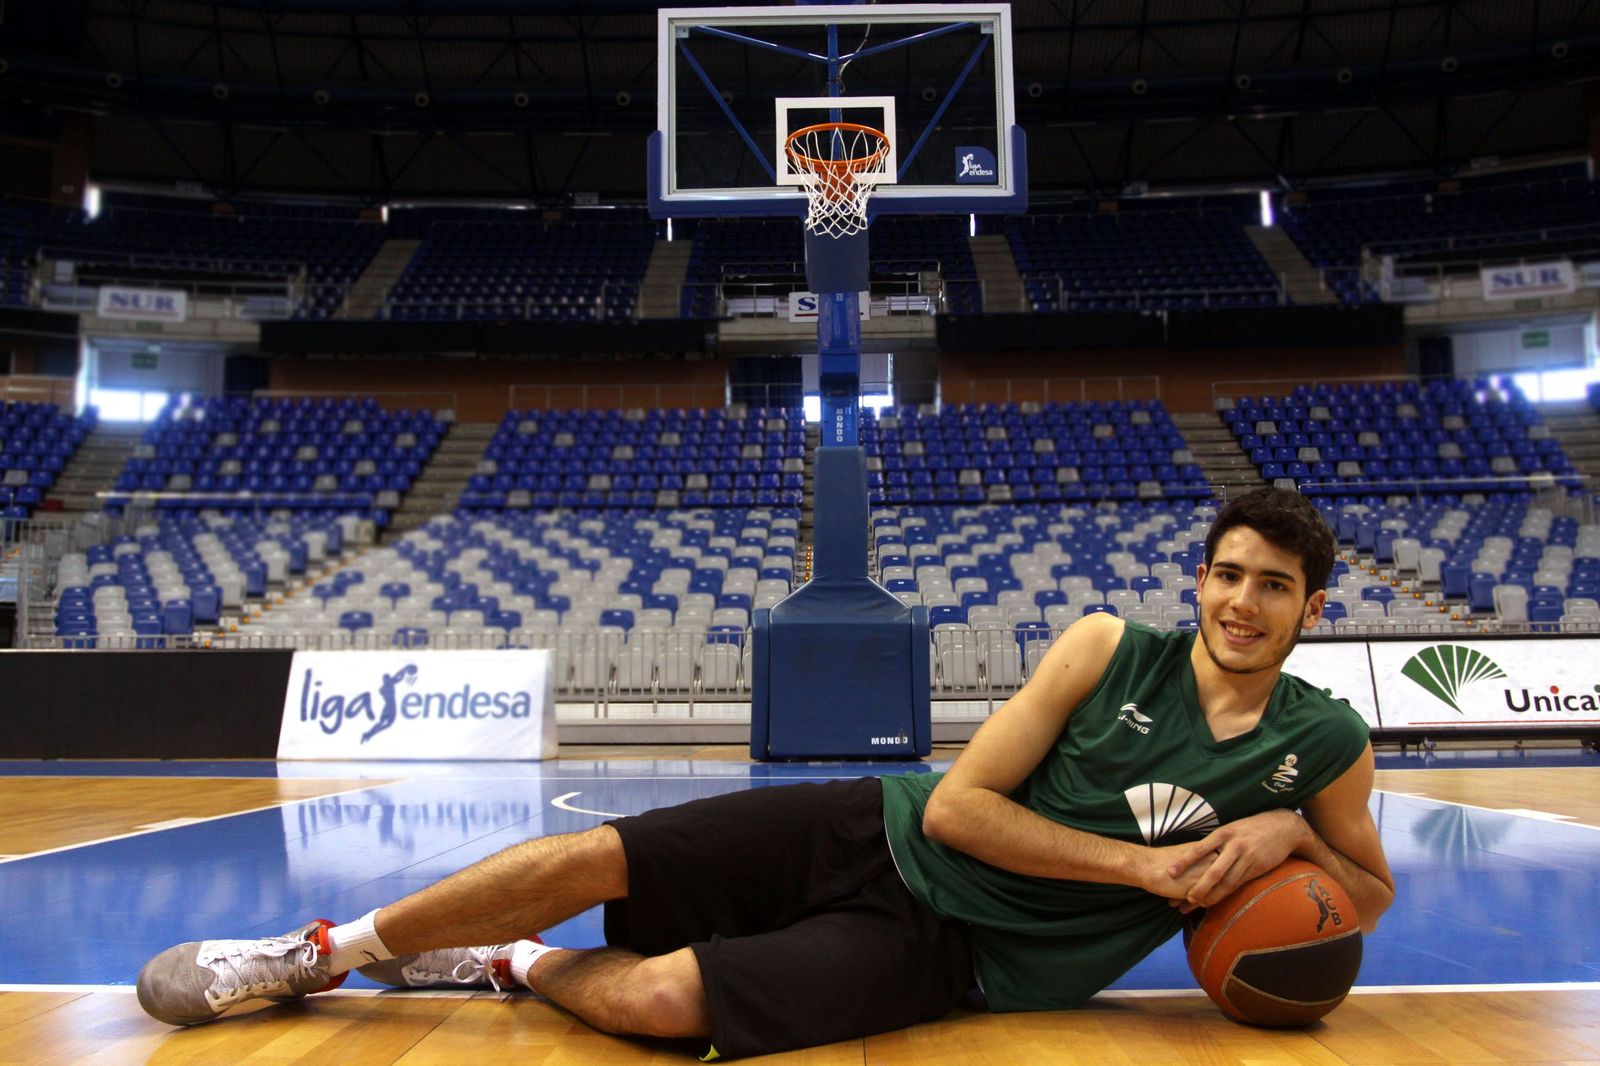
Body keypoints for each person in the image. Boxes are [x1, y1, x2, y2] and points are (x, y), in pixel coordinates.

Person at [137, 487, 1395, 1059]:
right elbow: (959, 803)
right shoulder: (1110, 647)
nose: (1241, 600)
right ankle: (317, 953)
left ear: (1309, 607)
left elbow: (1370, 888)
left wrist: (1292, 838)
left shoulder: (1325, 737)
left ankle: (508, 960)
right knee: (590, 857)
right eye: (1226, 574)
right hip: (878, 825)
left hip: (961, 961)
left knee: (663, 1010)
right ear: (1201, 580)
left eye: (1271, 585)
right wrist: (1137, 867)